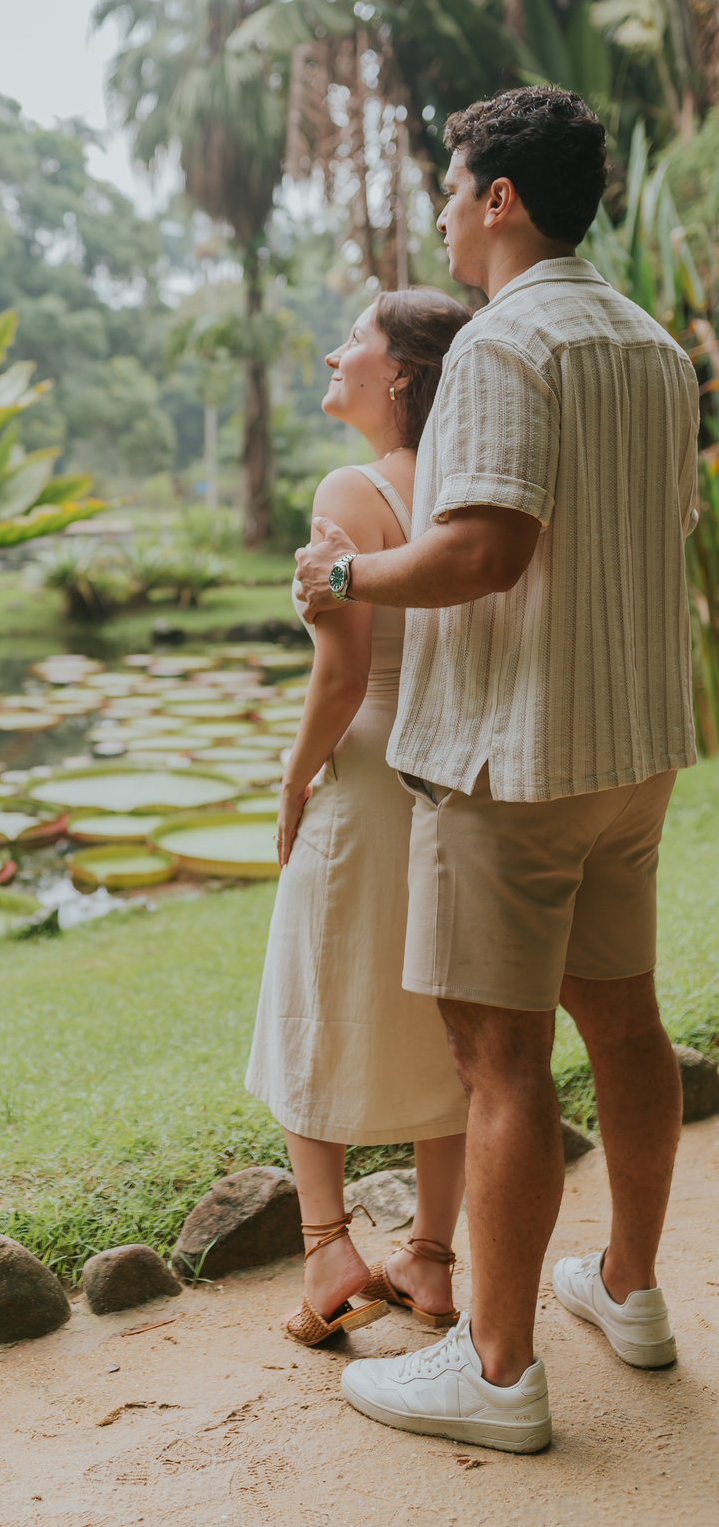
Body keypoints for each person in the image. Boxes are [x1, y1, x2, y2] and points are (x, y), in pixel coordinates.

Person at [295, 87, 699, 1455]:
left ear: (501, 198)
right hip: (632, 749)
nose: (446, 210)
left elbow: (485, 550)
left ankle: (501, 1371)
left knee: (499, 1060)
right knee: (627, 1023)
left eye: (454, 184)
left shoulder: (503, 347)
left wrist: (344, 572)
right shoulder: (651, 344)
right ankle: (631, 1294)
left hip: (512, 762)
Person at [246, 287, 473, 1348]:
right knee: (447, 1014)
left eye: (357, 341)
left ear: (401, 376)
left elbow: (340, 675)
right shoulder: (471, 489)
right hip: (452, 775)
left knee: (315, 993)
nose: (336, 353)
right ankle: (429, 1258)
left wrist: (295, 780)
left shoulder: (352, 486)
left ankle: (329, 1246)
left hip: (370, 767)